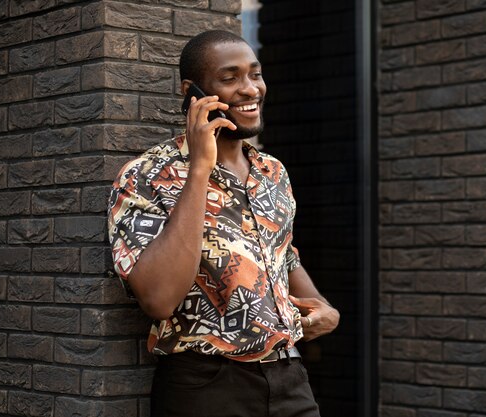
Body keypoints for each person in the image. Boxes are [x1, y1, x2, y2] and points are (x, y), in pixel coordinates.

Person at [107, 30, 339, 417]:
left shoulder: (273, 173)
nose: (250, 89)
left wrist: (326, 310)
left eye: (255, 74)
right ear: (192, 91)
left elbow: (283, 258)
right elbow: (158, 299)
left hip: (289, 379)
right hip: (206, 387)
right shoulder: (147, 176)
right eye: (230, 78)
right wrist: (200, 169)